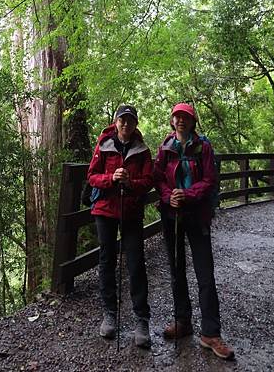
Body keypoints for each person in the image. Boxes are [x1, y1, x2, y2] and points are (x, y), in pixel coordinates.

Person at [154, 102, 235, 360]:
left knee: (205, 273)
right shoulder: (166, 148)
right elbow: (158, 179)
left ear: (192, 122)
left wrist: (187, 195)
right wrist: (170, 198)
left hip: (196, 214)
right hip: (172, 215)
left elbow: (210, 180)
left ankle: (210, 332)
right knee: (177, 271)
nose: (180, 121)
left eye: (185, 117)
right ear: (172, 121)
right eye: (177, 117)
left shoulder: (204, 147)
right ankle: (183, 321)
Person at [87, 104, 153, 348]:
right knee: (107, 261)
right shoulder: (104, 144)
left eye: (130, 120)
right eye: (122, 120)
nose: (126, 124)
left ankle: (141, 319)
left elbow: (148, 181)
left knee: (135, 262)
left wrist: (131, 182)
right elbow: (92, 176)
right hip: (105, 209)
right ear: (116, 122)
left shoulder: (142, 150)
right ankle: (109, 314)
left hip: (131, 210)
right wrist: (110, 178)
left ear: (135, 124)